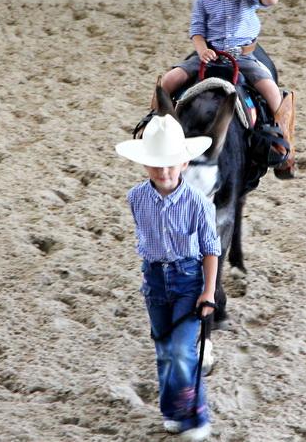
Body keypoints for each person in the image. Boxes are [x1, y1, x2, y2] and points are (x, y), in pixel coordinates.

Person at [159, 0, 297, 178]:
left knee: (270, 89)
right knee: (169, 80)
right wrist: (201, 50)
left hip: (242, 56)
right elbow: (197, 29)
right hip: (210, 56)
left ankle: (282, 143)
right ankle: (156, 128)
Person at [115, 114, 220, 442]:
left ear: (184, 163)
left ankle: (196, 415)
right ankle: (173, 411)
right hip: (154, 282)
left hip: (189, 281)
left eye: (171, 165)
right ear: (146, 165)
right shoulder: (136, 198)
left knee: (181, 351)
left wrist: (209, 292)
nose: (164, 172)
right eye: (157, 165)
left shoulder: (199, 204)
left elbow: (210, 249)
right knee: (164, 350)